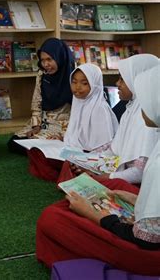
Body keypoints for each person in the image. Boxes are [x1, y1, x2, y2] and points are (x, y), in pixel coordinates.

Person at [36, 66, 160, 276]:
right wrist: (136, 201)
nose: (141, 108)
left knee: (51, 219)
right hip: (146, 230)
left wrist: (95, 216)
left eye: (146, 100)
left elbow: (145, 240)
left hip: (150, 254)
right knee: (112, 188)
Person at [58, 54, 159, 185]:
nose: (117, 84)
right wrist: (89, 163)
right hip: (116, 170)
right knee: (71, 163)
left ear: (137, 80)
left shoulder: (148, 118)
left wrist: (106, 177)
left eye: (122, 79)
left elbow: (139, 173)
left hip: (133, 183)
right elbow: (113, 151)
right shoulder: (130, 110)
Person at [27, 63, 118, 181]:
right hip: (76, 152)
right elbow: (79, 132)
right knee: (35, 149)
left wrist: (79, 155)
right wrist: (61, 138)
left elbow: (105, 146)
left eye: (84, 83)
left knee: (69, 161)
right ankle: (64, 173)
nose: (77, 87)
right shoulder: (78, 102)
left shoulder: (100, 109)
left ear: (95, 85)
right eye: (74, 82)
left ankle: (68, 175)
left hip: (94, 157)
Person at [8, 38, 75, 155]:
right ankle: (43, 150)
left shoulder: (74, 77)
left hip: (64, 125)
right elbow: (36, 102)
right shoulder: (42, 74)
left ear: (60, 57)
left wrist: (63, 135)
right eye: (43, 60)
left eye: (49, 59)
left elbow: (80, 113)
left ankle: (47, 149)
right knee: (14, 142)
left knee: (46, 145)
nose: (45, 64)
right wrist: (35, 126)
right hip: (44, 121)